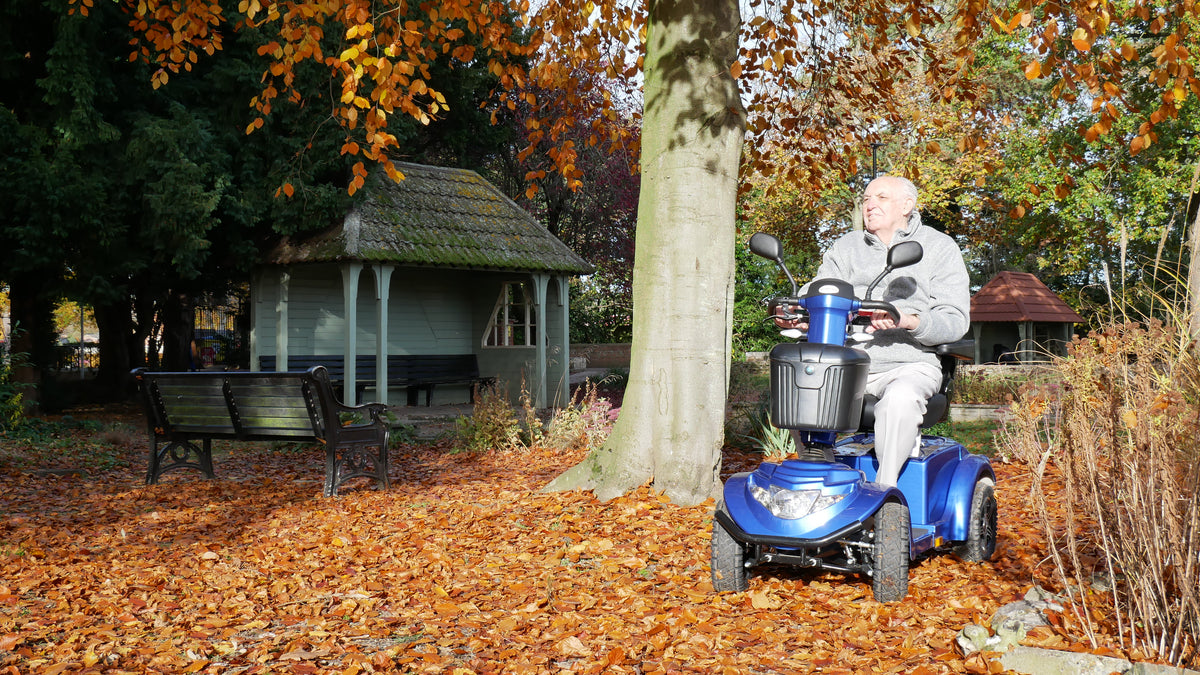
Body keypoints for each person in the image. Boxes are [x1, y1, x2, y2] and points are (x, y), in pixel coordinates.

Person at [799, 175, 970, 486]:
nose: (870, 205)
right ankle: (818, 480)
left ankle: (884, 491)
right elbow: (818, 289)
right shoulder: (846, 247)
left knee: (900, 399)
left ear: (907, 205)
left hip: (910, 364)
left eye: (880, 198)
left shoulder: (939, 248)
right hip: (849, 362)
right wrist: (799, 311)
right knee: (803, 386)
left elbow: (955, 319)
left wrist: (908, 320)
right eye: (866, 199)